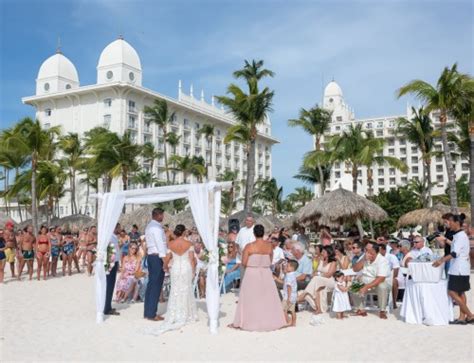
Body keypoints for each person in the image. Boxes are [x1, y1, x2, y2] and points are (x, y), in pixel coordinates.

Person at [230, 224, 287, 331]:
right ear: (263, 233)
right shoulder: (269, 246)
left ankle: (248, 322)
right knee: (267, 298)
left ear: (254, 233)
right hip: (266, 273)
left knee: (250, 298)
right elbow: (270, 260)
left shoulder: (249, 246)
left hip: (252, 273)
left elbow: (244, 262)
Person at [153, 224, 198, 333]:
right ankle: (186, 314)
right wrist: (193, 271)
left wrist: (165, 267)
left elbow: (167, 258)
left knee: (175, 290)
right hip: (186, 268)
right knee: (186, 289)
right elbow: (192, 259)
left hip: (176, 269)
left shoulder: (170, 244)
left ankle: (175, 313)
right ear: (183, 232)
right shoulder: (189, 244)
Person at [433, 214, 474, 324]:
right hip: (460, 268)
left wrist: (441, 261)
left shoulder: (460, 236)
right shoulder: (459, 235)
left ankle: (470, 315)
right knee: (460, 292)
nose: (447, 224)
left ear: (455, 222)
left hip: (459, 269)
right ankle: (462, 317)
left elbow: (454, 253)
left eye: (448, 221)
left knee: (452, 292)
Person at [352, 244, 390, 319]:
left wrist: (366, 287)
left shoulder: (382, 260)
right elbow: (355, 269)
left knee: (382, 286)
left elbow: (381, 278)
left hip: (377, 282)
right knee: (353, 287)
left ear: (374, 251)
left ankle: (382, 310)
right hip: (364, 280)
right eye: (365, 249)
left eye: (368, 250)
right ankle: (361, 309)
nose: (365, 251)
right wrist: (363, 260)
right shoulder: (364, 257)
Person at [144, 208, 167, 321]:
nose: (163, 217)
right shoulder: (156, 227)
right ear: (157, 215)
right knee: (156, 286)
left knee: (151, 284)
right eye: (162, 215)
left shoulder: (149, 226)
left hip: (151, 256)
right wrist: (165, 261)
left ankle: (147, 311)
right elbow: (160, 245)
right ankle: (152, 313)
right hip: (157, 256)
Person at [299, 245, 337, 314]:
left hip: (330, 281)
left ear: (329, 253)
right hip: (319, 281)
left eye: (324, 252)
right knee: (317, 287)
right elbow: (314, 272)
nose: (322, 253)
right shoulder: (320, 260)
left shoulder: (333, 262)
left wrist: (319, 274)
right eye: (322, 251)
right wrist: (316, 274)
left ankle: (303, 294)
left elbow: (329, 274)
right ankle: (318, 308)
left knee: (316, 279)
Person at [104, 223, 121, 316]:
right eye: (119, 227)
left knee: (111, 285)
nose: (120, 229)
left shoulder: (114, 236)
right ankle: (106, 308)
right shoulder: (110, 237)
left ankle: (108, 306)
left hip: (114, 261)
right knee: (109, 285)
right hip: (111, 262)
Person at [379, 243, 400, 309]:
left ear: (384, 250)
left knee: (394, 281)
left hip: (393, 275)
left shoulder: (392, 257)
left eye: (379, 250)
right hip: (380, 276)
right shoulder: (376, 257)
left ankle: (394, 302)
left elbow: (396, 268)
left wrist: (393, 277)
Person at [282, 259, 298, 326]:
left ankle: (287, 322)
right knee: (292, 311)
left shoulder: (289, 276)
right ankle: (293, 323)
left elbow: (289, 287)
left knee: (283, 310)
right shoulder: (293, 274)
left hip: (288, 296)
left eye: (287, 266)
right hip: (294, 296)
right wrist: (284, 267)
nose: (286, 267)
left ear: (292, 268)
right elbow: (285, 271)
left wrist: (288, 298)